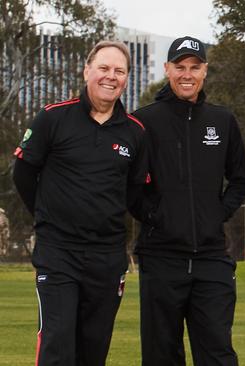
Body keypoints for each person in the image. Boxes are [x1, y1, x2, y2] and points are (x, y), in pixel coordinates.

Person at [12, 40, 147, 366]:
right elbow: (23, 175)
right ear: (87, 70)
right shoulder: (53, 117)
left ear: (127, 78)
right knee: (57, 344)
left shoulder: (135, 133)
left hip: (107, 257)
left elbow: (134, 195)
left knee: (93, 349)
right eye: (104, 68)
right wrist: (47, 217)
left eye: (119, 71)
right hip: (58, 253)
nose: (110, 76)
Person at [130, 36, 245, 366]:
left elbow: (241, 179)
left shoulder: (222, 121)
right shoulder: (143, 121)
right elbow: (130, 187)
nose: (187, 74)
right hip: (160, 258)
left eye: (194, 67)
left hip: (212, 258)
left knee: (217, 353)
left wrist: (216, 214)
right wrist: (156, 216)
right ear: (167, 69)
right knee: (161, 355)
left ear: (205, 71)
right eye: (180, 67)